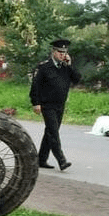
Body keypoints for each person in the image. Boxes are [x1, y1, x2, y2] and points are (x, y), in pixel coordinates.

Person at [29, 39, 82, 171]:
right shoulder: (44, 67)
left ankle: (41, 159)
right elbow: (35, 86)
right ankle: (61, 160)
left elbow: (77, 79)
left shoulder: (65, 67)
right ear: (53, 52)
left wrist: (70, 65)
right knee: (53, 132)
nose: (62, 55)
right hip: (47, 105)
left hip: (60, 105)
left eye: (65, 52)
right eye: (60, 52)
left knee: (50, 132)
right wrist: (36, 103)